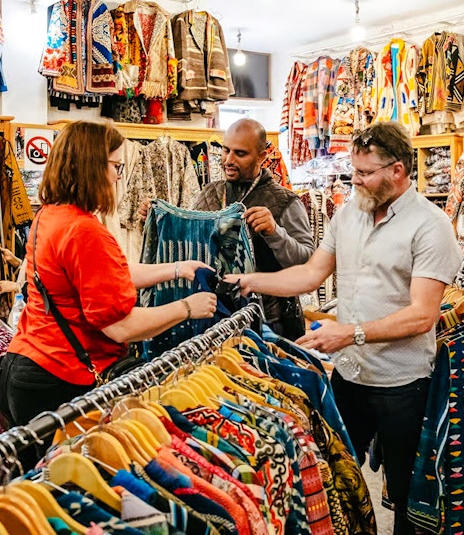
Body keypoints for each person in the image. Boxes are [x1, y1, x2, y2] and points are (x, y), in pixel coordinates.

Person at [224, 121, 462, 535]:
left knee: (407, 495)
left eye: (366, 174)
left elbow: (422, 315)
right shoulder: (351, 213)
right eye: (355, 172)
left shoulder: (431, 226)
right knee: (337, 479)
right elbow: (312, 273)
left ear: (398, 170)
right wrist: (250, 281)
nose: (357, 182)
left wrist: (349, 333)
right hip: (349, 379)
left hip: (402, 384)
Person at [0, 121, 216, 466]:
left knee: (35, 495)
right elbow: (120, 327)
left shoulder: (51, 217)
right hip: (61, 380)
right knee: (71, 491)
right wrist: (187, 308)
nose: (118, 177)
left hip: (25, 368)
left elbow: (106, 276)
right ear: (92, 167)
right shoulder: (84, 230)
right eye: (116, 166)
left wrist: (176, 269)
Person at [195, 117, 314, 339]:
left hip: (270, 320)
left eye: (240, 153)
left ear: (262, 156)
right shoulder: (209, 193)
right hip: (215, 315)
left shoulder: (285, 201)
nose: (228, 160)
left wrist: (275, 233)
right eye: (225, 150)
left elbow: (307, 262)